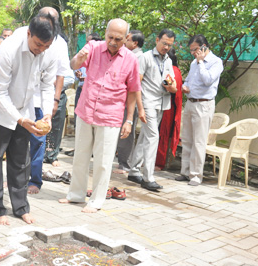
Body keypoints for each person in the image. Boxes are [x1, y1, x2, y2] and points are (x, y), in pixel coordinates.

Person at [59, 19, 145, 213]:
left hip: (110, 115)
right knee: (80, 156)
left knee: (103, 162)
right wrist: (79, 59)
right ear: (105, 33)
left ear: (127, 38)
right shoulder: (93, 47)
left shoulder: (131, 59)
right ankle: (76, 195)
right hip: (86, 110)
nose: (113, 42)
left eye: (118, 39)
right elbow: (73, 65)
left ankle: (96, 201)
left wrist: (129, 120)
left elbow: (133, 91)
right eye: (110, 37)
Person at [0, 12, 58, 225]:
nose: (41, 49)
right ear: (28, 33)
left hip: (25, 111)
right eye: (37, 44)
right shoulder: (8, 49)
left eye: (46, 46)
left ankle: (21, 207)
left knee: (20, 161)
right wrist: (19, 119)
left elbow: (46, 85)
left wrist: (48, 114)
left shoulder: (50, 51)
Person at [26, 7, 70, 195]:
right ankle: (16, 177)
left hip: (42, 101)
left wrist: (53, 101)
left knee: (38, 142)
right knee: (18, 142)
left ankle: (35, 180)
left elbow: (60, 74)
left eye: (52, 20)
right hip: (22, 99)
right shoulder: (25, 35)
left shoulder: (59, 44)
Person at [127, 29, 177, 191]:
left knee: (145, 136)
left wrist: (171, 87)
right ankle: (148, 177)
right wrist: (140, 108)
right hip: (147, 102)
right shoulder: (145, 58)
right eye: (164, 43)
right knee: (153, 137)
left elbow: (174, 86)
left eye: (169, 45)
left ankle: (134, 170)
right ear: (157, 40)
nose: (166, 47)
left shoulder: (168, 61)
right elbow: (136, 84)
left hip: (162, 103)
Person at [176, 34, 223, 186]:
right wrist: (185, 86)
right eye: (191, 51)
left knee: (199, 141)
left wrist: (201, 62)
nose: (193, 53)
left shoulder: (216, 62)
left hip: (204, 104)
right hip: (190, 102)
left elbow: (208, 80)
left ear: (204, 47)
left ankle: (196, 175)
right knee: (187, 139)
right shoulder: (193, 63)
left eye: (195, 50)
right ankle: (185, 171)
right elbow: (189, 79)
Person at [65, 32, 101, 157]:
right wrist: (78, 75)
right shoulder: (83, 55)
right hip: (81, 90)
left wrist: (85, 79)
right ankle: (79, 148)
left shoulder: (100, 57)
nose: (86, 44)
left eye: (88, 42)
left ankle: (90, 150)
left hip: (93, 94)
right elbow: (75, 67)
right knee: (78, 119)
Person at [114, 29, 146, 174]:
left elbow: (135, 85)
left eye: (127, 40)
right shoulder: (132, 56)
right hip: (122, 98)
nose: (124, 43)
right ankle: (122, 161)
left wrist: (140, 108)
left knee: (127, 131)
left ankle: (124, 164)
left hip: (130, 100)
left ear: (135, 43)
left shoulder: (137, 58)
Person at [43, 33, 75, 167]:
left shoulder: (63, 61)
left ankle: (52, 156)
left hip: (59, 95)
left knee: (57, 127)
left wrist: (56, 84)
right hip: (42, 93)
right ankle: (39, 153)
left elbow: (69, 78)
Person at [155, 48, 182, 170]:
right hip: (163, 104)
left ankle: (159, 163)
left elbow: (167, 85)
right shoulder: (173, 70)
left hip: (168, 107)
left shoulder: (174, 71)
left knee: (163, 134)